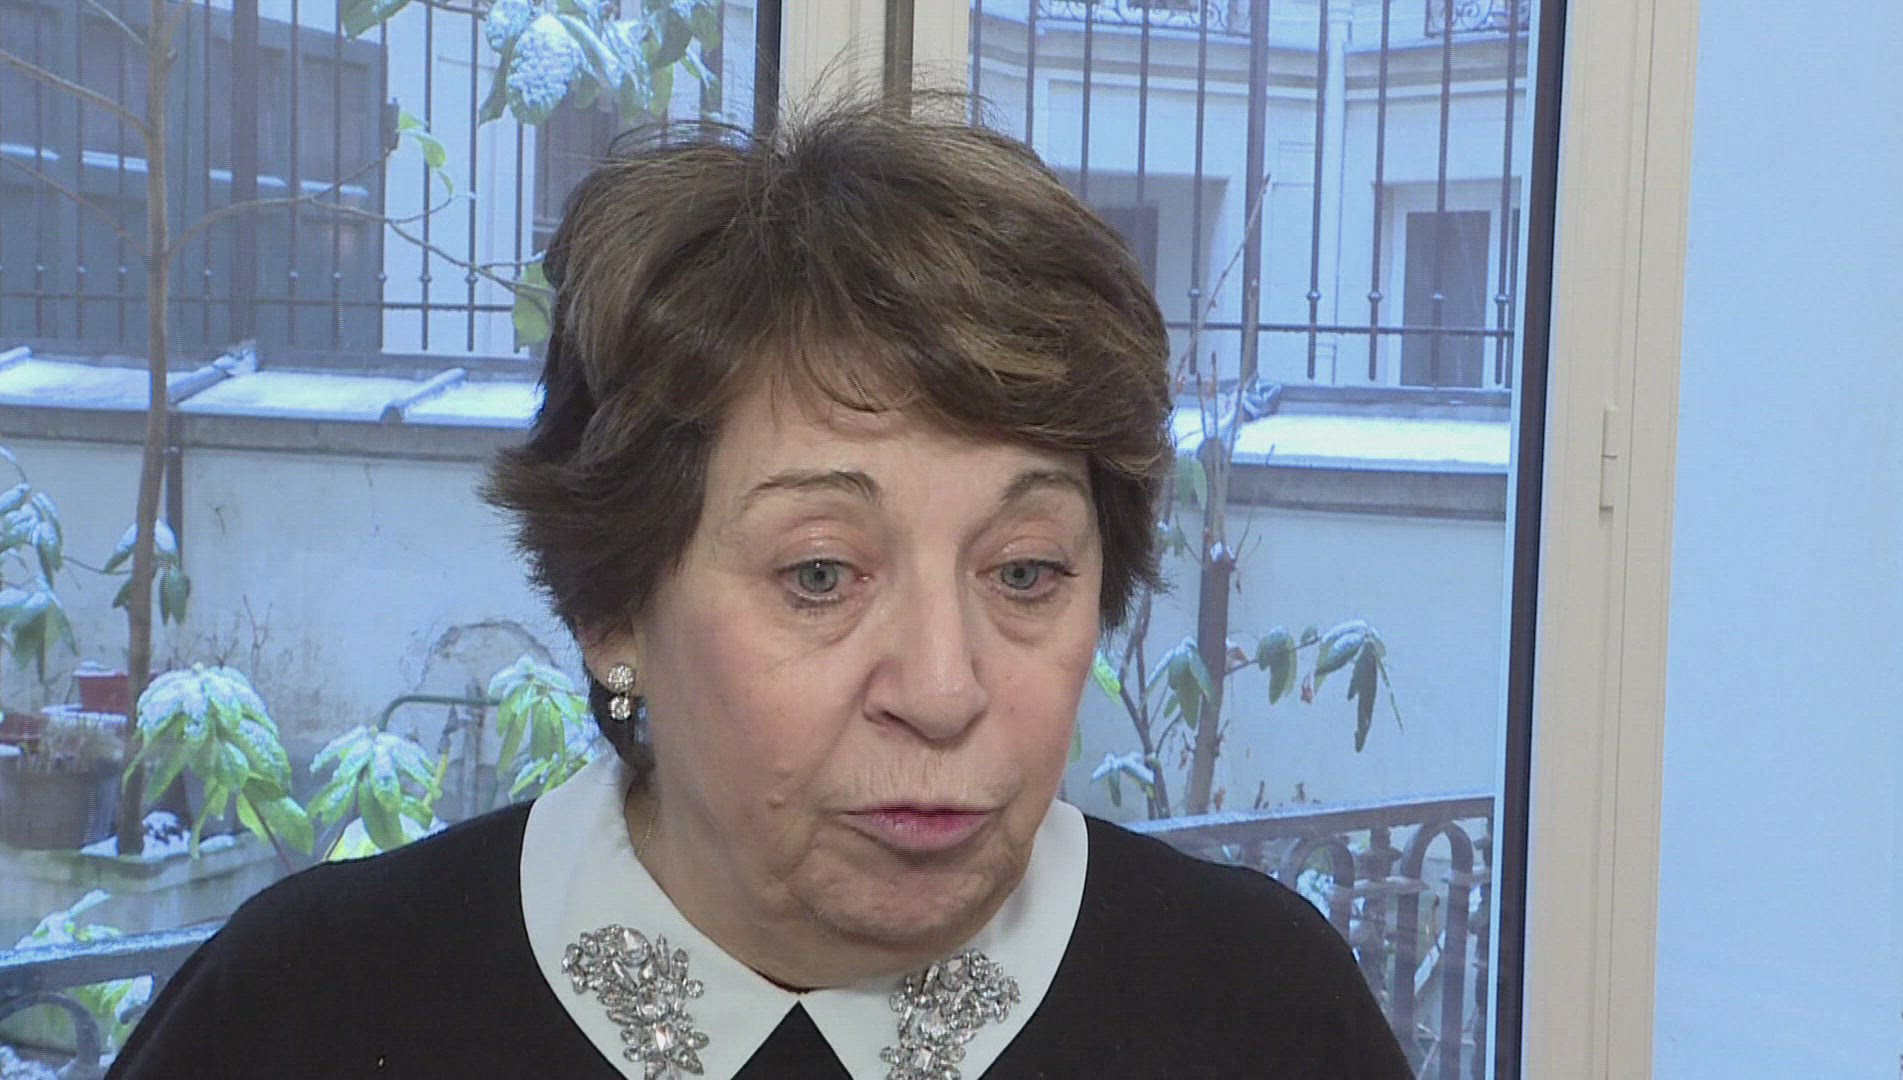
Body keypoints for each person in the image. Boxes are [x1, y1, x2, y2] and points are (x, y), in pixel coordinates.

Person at [108, 94, 1413, 1079]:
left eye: (1024, 571)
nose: (943, 690)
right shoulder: (308, 1013)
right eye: (821, 574)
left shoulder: (1260, 1010)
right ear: (613, 608)